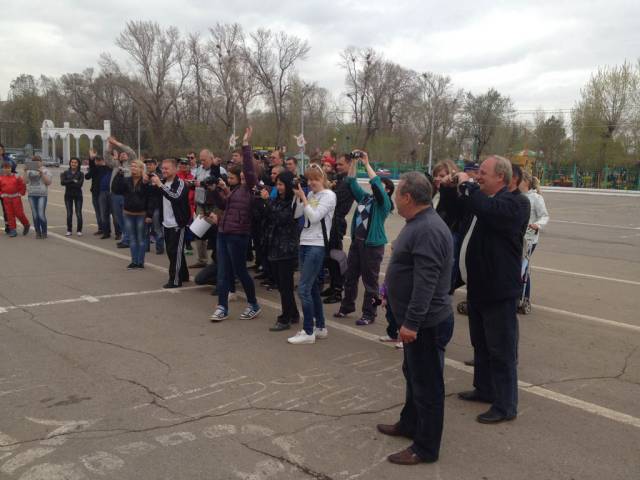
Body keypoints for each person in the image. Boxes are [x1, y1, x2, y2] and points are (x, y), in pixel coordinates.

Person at [376, 172, 453, 465]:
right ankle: (409, 423)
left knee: (428, 387)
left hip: (427, 324)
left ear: (408, 197)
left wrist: (411, 323)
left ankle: (426, 448)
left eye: (397, 194)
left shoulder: (428, 229)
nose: (395, 198)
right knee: (414, 376)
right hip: (417, 321)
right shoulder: (418, 223)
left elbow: (426, 283)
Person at [455, 155, 529, 424]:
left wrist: (469, 186)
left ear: (501, 176)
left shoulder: (515, 202)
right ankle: (484, 389)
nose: (478, 176)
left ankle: (506, 405)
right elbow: (460, 209)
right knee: (481, 344)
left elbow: (490, 210)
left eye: (483, 173)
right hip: (479, 286)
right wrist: (454, 187)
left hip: (499, 290)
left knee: (501, 350)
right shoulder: (484, 200)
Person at [209, 127, 262, 322]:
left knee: (240, 271)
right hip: (223, 232)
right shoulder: (237, 190)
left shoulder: (252, 189)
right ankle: (222, 307)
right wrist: (213, 191)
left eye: (246, 174)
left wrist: (245, 145)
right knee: (223, 272)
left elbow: (248, 169)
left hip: (238, 235)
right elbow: (224, 205)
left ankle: (253, 304)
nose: (243, 176)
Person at [334, 152, 393, 325]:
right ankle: (347, 306)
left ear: (387, 191)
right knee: (350, 277)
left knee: (370, 283)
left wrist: (366, 164)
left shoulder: (384, 204)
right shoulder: (365, 198)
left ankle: (370, 313)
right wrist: (354, 163)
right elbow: (351, 182)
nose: (376, 187)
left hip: (372, 247)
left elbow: (376, 184)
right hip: (357, 243)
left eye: (381, 186)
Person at [287, 164, 337, 345]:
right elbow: (297, 214)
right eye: (309, 179)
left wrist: (304, 198)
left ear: (322, 179)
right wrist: (298, 196)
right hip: (305, 242)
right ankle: (320, 327)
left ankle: (308, 331)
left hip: (317, 244)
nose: (311, 183)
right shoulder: (310, 195)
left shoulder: (329, 195)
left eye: (315, 179)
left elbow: (315, 217)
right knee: (313, 287)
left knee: (303, 289)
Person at [261, 171, 302, 331]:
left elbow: (282, 218)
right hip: (274, 246)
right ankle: (293, 313)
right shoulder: (277, 199)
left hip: (286, 249)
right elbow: (268, 216)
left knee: (285, 286)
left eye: (281, 184)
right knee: (282, 285)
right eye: (277, 184)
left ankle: (285, 318)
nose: (278, 188)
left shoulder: (293, 201)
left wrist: (267, 201)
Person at [149, 158, 191, 288]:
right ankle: (184, 274)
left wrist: (160, 185)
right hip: (166, 222)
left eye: (167, 168)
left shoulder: (181, 183)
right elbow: (153, 195)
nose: (164, 171)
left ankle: (175, 280)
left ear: (175, 169)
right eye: (163, 168)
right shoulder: (163, 182)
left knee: (175, 252)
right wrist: (147, 182)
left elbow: (175, 197)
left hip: (178, 223)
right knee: (172, 251)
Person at [321, 154, 355, 304]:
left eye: (341, 164)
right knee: (329, 257)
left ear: (349, 165)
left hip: (337, 223)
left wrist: (327, 188)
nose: (338, 167)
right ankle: (333, 285)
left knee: (335, 258)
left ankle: (337, 290)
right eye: (337, 165)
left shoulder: (348, 182)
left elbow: (333, 199)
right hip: (331, 221)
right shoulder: (340, 180)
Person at [114, 160, 151, 269]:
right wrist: (119, 175)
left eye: (136, 166)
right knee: (132, 238)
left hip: (141, 214)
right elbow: (115, 189)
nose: (133, 168)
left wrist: (149, 215)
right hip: (128, 213)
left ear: (141, 169)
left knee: (141, 239)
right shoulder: (127, 180)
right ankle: (134, 261)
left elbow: (150, 198)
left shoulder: (146, 181)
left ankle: (140, 262)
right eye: (132, 166)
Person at [520, 171, 550, 303]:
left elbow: (544, 216)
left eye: (519, 180)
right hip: (516, 237)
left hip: (529, 239)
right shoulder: (515, 196)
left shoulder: (536, 198)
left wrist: (537, 225)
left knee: (523, 267)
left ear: (526, 182)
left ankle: (525, 297)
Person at [107, 136, 137, 247]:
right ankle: (126, 237)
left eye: (125, 154)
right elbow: (106, 157)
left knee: (127, 218)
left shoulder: (131, 164)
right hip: (115, 195)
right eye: (121, 154)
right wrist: (110, 146)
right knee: (118, 218)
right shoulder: (116, 165)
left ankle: (128, 239)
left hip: (126, 196)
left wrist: (116, 142)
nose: (123, 154)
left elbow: (130, 151)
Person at [23, 155, 52, 239]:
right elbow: (25, 181)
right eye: (34, 162)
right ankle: (37, 232)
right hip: (32, 194)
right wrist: (25, 171)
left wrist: (42, 173)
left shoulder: (46, 170)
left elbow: (48, 182)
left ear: (41, 162)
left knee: (41, 214)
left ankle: (44, 232)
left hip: (42, 194)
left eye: (38, 161)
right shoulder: (29, 171)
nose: (37, 163)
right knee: (35, 214)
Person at [0, 161, 30, 237]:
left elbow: (22, 185)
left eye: (8, 168)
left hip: (16, 198)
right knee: (9, 214)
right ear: (2, 169)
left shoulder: (16, 176)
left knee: (19, 213)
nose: (6, 169)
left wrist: (21, 193)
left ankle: (26, 224)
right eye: (5, 168)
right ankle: (13, 230)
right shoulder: (1, 178)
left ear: (11, 168)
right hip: (6, 199)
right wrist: (1, 194)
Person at [143, 158, 164, 255]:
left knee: (157, 229)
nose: (148, 166)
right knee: (145, 229)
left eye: (150, 164)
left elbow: (159, 193)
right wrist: (144, 182)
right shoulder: (145, 176)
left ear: (156, 165)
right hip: (146, 206)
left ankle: (160, 248)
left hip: (156, 206)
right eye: (147, 164)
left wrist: (156, 181)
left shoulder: (160, 176)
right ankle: (145, 247)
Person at [60, 157, 84, 236]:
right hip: (68, 195)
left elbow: (79, 185)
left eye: (75, 162)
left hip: (78, 195)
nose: (73, 164)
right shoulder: (65, 173)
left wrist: (68, 182)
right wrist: (73, 180)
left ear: (78, 164)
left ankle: (79, 230)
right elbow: (62, 182)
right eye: (72, 162)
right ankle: (69, 230)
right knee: (69, 213)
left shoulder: (81, 174)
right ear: (70, 163)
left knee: (78, 213)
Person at [0, 143, 17, 233]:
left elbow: (13, 166)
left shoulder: (7, 159)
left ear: (3, 150)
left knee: (6, 208)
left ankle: (9, 226)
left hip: (4, 186)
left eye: (1, 149)